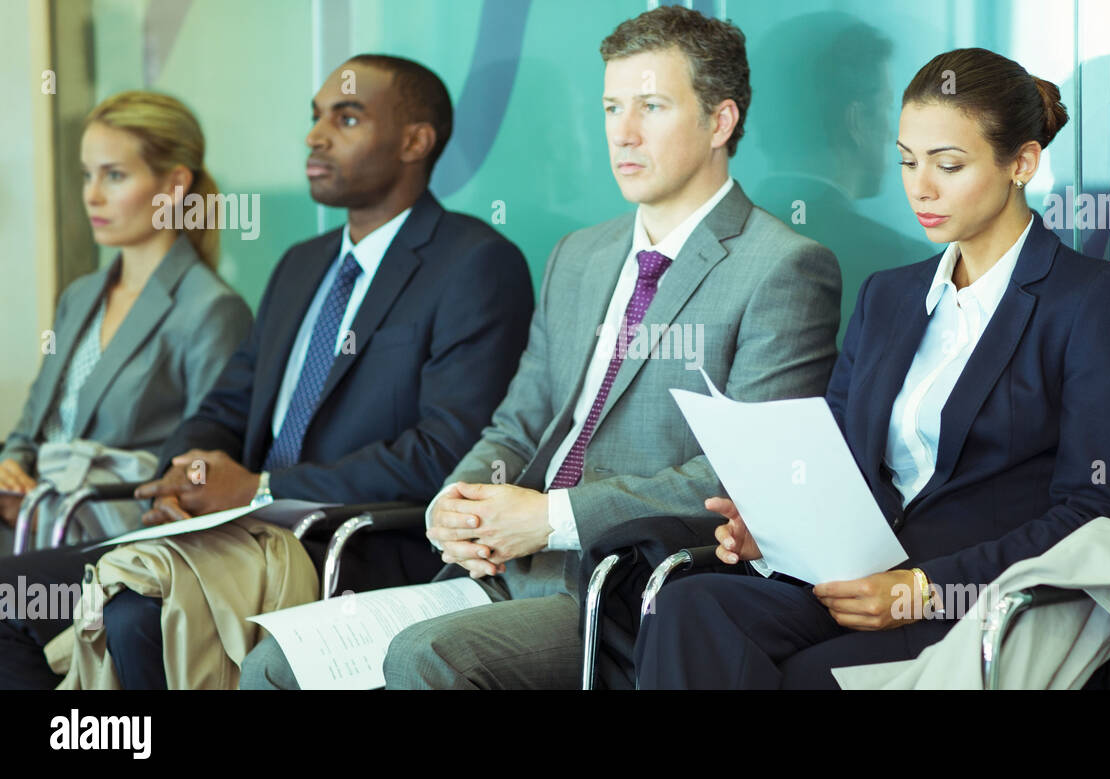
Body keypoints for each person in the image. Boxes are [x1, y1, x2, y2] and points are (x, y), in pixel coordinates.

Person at [240, 5, 842, 690]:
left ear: (720, 122)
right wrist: (457, 500)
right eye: (613, 107)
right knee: (273, 663)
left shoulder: (783, 266)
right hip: (504, 569)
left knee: (425, 657)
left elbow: (742, 481)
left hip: (623, 590)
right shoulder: (579, 257)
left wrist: (553, 519)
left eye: (652, 106)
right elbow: (517, 423)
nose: (626, 132)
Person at [0, 54, 534, 689]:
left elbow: (445, 451)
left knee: (137, 609)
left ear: (415, 141)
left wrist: (261, 489)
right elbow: (224, 407)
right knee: (14, 595)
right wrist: (185, 473)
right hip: (233, 537)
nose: (315, 134)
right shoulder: (301, 266)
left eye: (348, 117)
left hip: (348, 543)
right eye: (315, 117)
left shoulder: (474, 263)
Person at [635, 47, 1110, 689]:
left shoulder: (1091, 299)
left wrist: (922, 589)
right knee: (689, 607)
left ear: (1021, 163)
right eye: (908, 160)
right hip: (855, 578)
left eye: (949, 164)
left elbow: (1097, 510)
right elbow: (839, 454)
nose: (921, 187)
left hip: (971, 600)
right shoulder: (890, 295)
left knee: (803, 675)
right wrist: (774, 528)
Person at [0, 91, 252, 553]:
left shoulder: (211, 310)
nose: (92, 195)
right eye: (87, 175)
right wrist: (11, 469)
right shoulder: (80, 295)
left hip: (112, 542)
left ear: (176, 184)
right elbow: (32, 426)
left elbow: (198, 469)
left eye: (114, 176)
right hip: (28, 523)